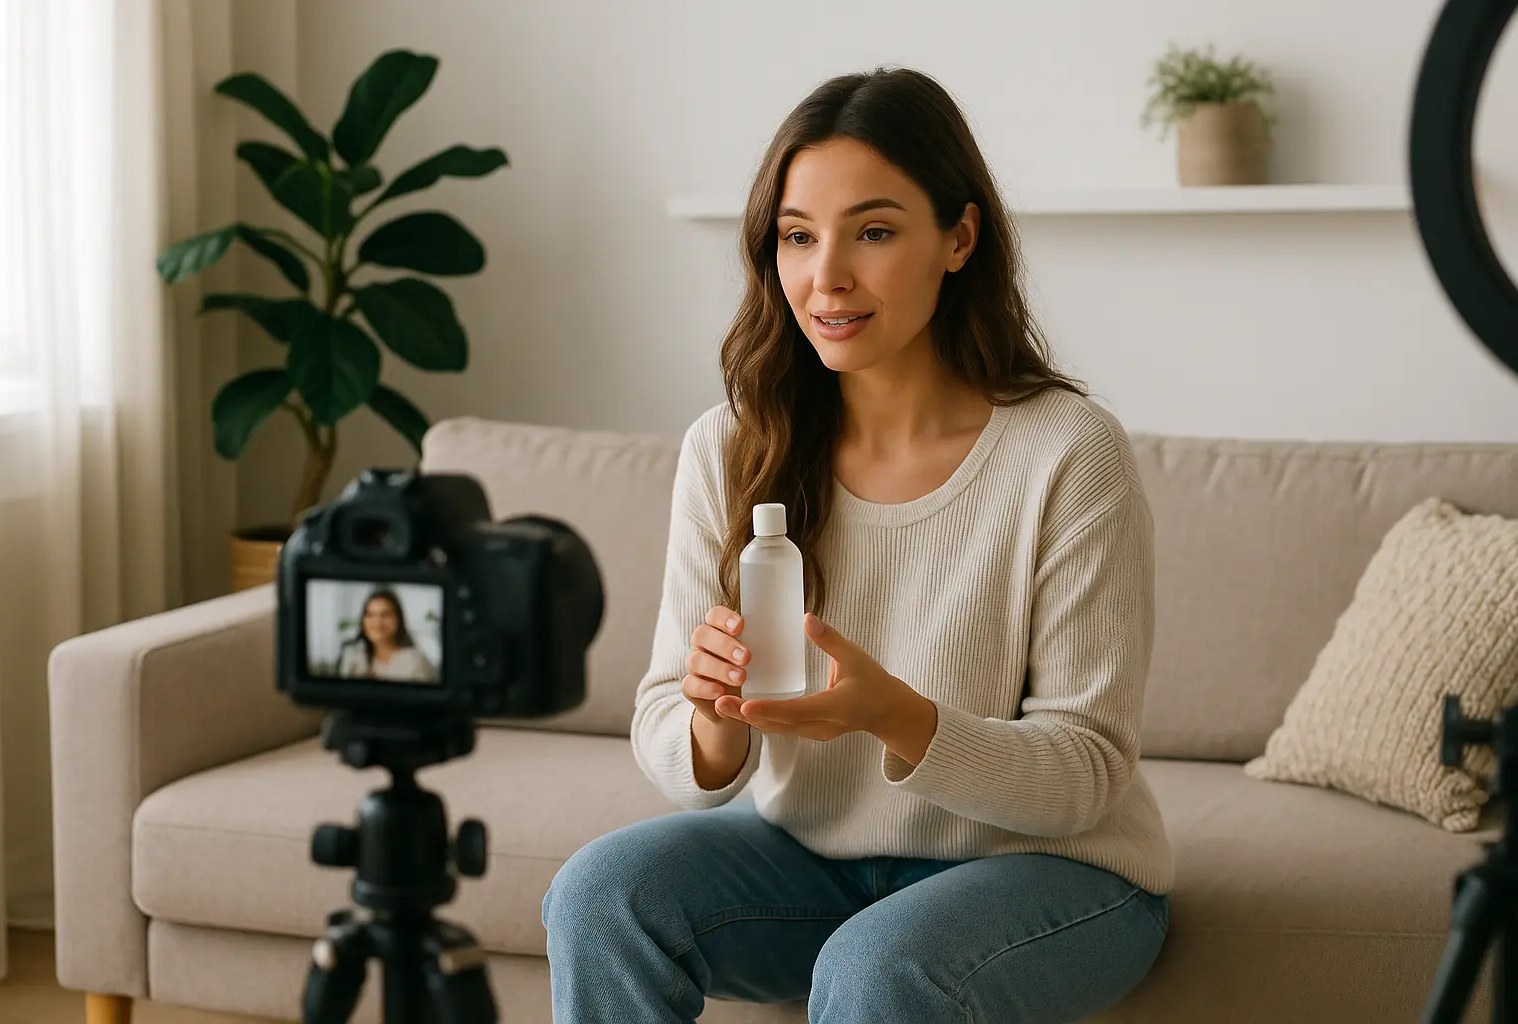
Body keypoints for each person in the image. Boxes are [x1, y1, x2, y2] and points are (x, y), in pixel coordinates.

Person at [542, 66, 1173, 1023]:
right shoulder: (731, 446)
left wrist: (898, 717)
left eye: (873, 232)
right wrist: (718, 719)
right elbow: (668, 725)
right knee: (600, 895)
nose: (825, 276)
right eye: (798, 236)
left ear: (958, 238)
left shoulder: (1068, 453)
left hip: (1057, 876)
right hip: (821, 862)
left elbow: (1085, 776)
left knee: (882, 969)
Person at [335, 588, 436, 684]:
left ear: (398, 620)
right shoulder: (352, 656)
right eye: (370, 615)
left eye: (385, 615)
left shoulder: (415, 661)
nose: (377, 623)